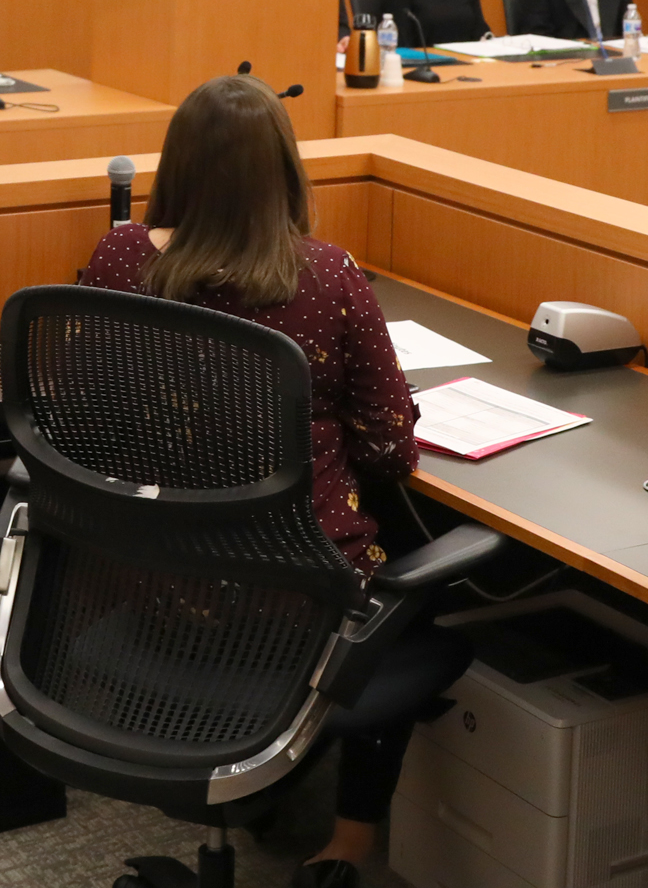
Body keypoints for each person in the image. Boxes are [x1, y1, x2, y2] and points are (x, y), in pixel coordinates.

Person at [80, 75, 456, 888]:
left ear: (174, 168)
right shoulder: (326, 278)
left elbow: (87, 416)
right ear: (285, 173)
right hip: (298, 616)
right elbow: (393, 452)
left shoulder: (115, 258)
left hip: (149, 594)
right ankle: (349, 846)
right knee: (434, 602)